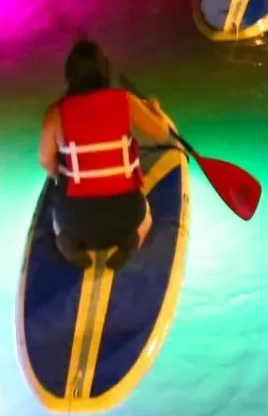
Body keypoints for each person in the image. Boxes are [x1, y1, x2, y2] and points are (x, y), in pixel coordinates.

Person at [38, 40, 176, 268]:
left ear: (69, 74)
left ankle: (67, 241)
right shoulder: (125, 101)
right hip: (124, 218)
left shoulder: (56, 113)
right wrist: (155, 110)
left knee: (58, 216)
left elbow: (45, 160)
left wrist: (60, 176)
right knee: (146, 217)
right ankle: (131, 241)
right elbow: (162, 133)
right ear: (104, 71)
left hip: (77, 224)